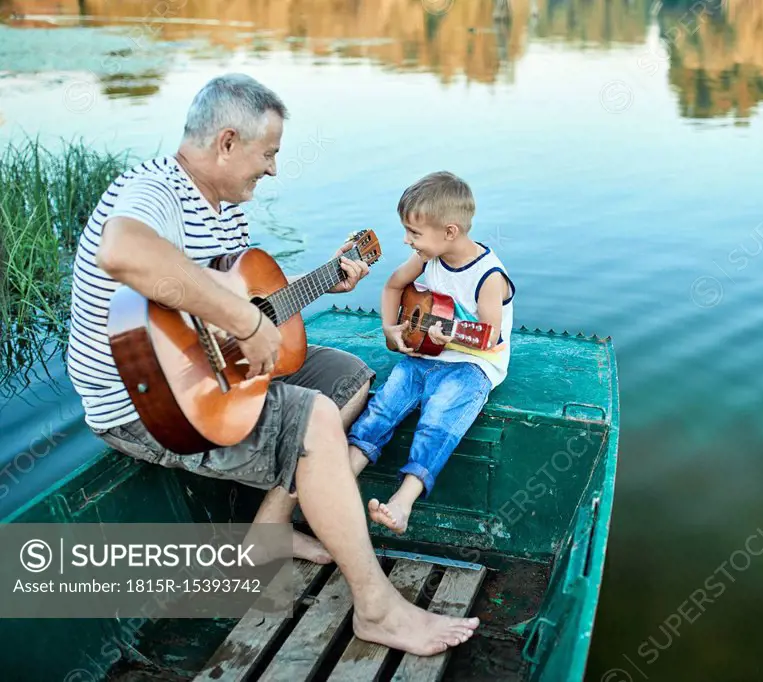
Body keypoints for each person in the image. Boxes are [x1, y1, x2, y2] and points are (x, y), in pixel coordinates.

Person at [66, 74, 478, 655]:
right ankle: (378, 610)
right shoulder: (154, 190)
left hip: (209, 377)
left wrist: (311, 289)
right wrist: (245, 321)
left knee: (348, 378)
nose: (274, 169)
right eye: (269, 153)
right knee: (310, 417)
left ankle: (267, 534)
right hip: (150, 406)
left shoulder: (224, 208)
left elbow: (246, 299)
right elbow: (124, 250)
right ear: (227, 142)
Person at [347, 171, 515, 534]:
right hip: (423, 355)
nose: (407, 241)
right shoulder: (427, 258)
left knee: (438, 420)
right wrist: (391, 331)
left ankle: (402, 502)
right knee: (382, 406)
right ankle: (341, 482)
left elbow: (490, 337)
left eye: (414, 233)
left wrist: (451, 337)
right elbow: (393, 286)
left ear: (450, 232)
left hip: (472, 364)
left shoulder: (489, 276)